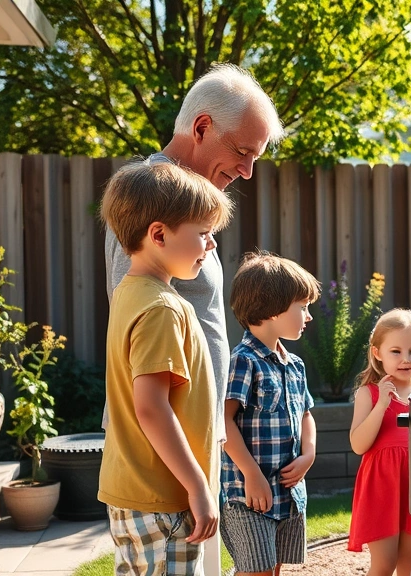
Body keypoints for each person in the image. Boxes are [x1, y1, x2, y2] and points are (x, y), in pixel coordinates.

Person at [103, 64, 283, 576]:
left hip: (189, 446)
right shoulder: (155, 202)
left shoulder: (184, 207)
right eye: (243, 152)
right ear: (201, 128)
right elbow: (142, 350)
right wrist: (193, 480)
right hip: (166, 466)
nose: (248, 172)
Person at [97, 161, 233, 575]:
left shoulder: (130, 292)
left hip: (136, 491)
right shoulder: (161, 309)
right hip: (162, 499)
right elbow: (152, 408)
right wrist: (198, 487)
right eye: (204, 234)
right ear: (159, 234)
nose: (211, 246)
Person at [220, 251, 321, 576]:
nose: (308, 316)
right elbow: (223, 420)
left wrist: (309, 454)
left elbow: (306, 414)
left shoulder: (295, 365)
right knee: (256, 571)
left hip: (286, 491)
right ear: (271, 308)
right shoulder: (244, 361)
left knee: (273, 569)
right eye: (302, 307)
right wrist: (252, 474)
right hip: (249, 493)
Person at [347, 309, 411, 576]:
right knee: (384, 564)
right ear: (377, 353)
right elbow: (358, 445)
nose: (405, 359)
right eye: (395, 351)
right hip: (382, 487)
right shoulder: (369, 393)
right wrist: (382, 405)